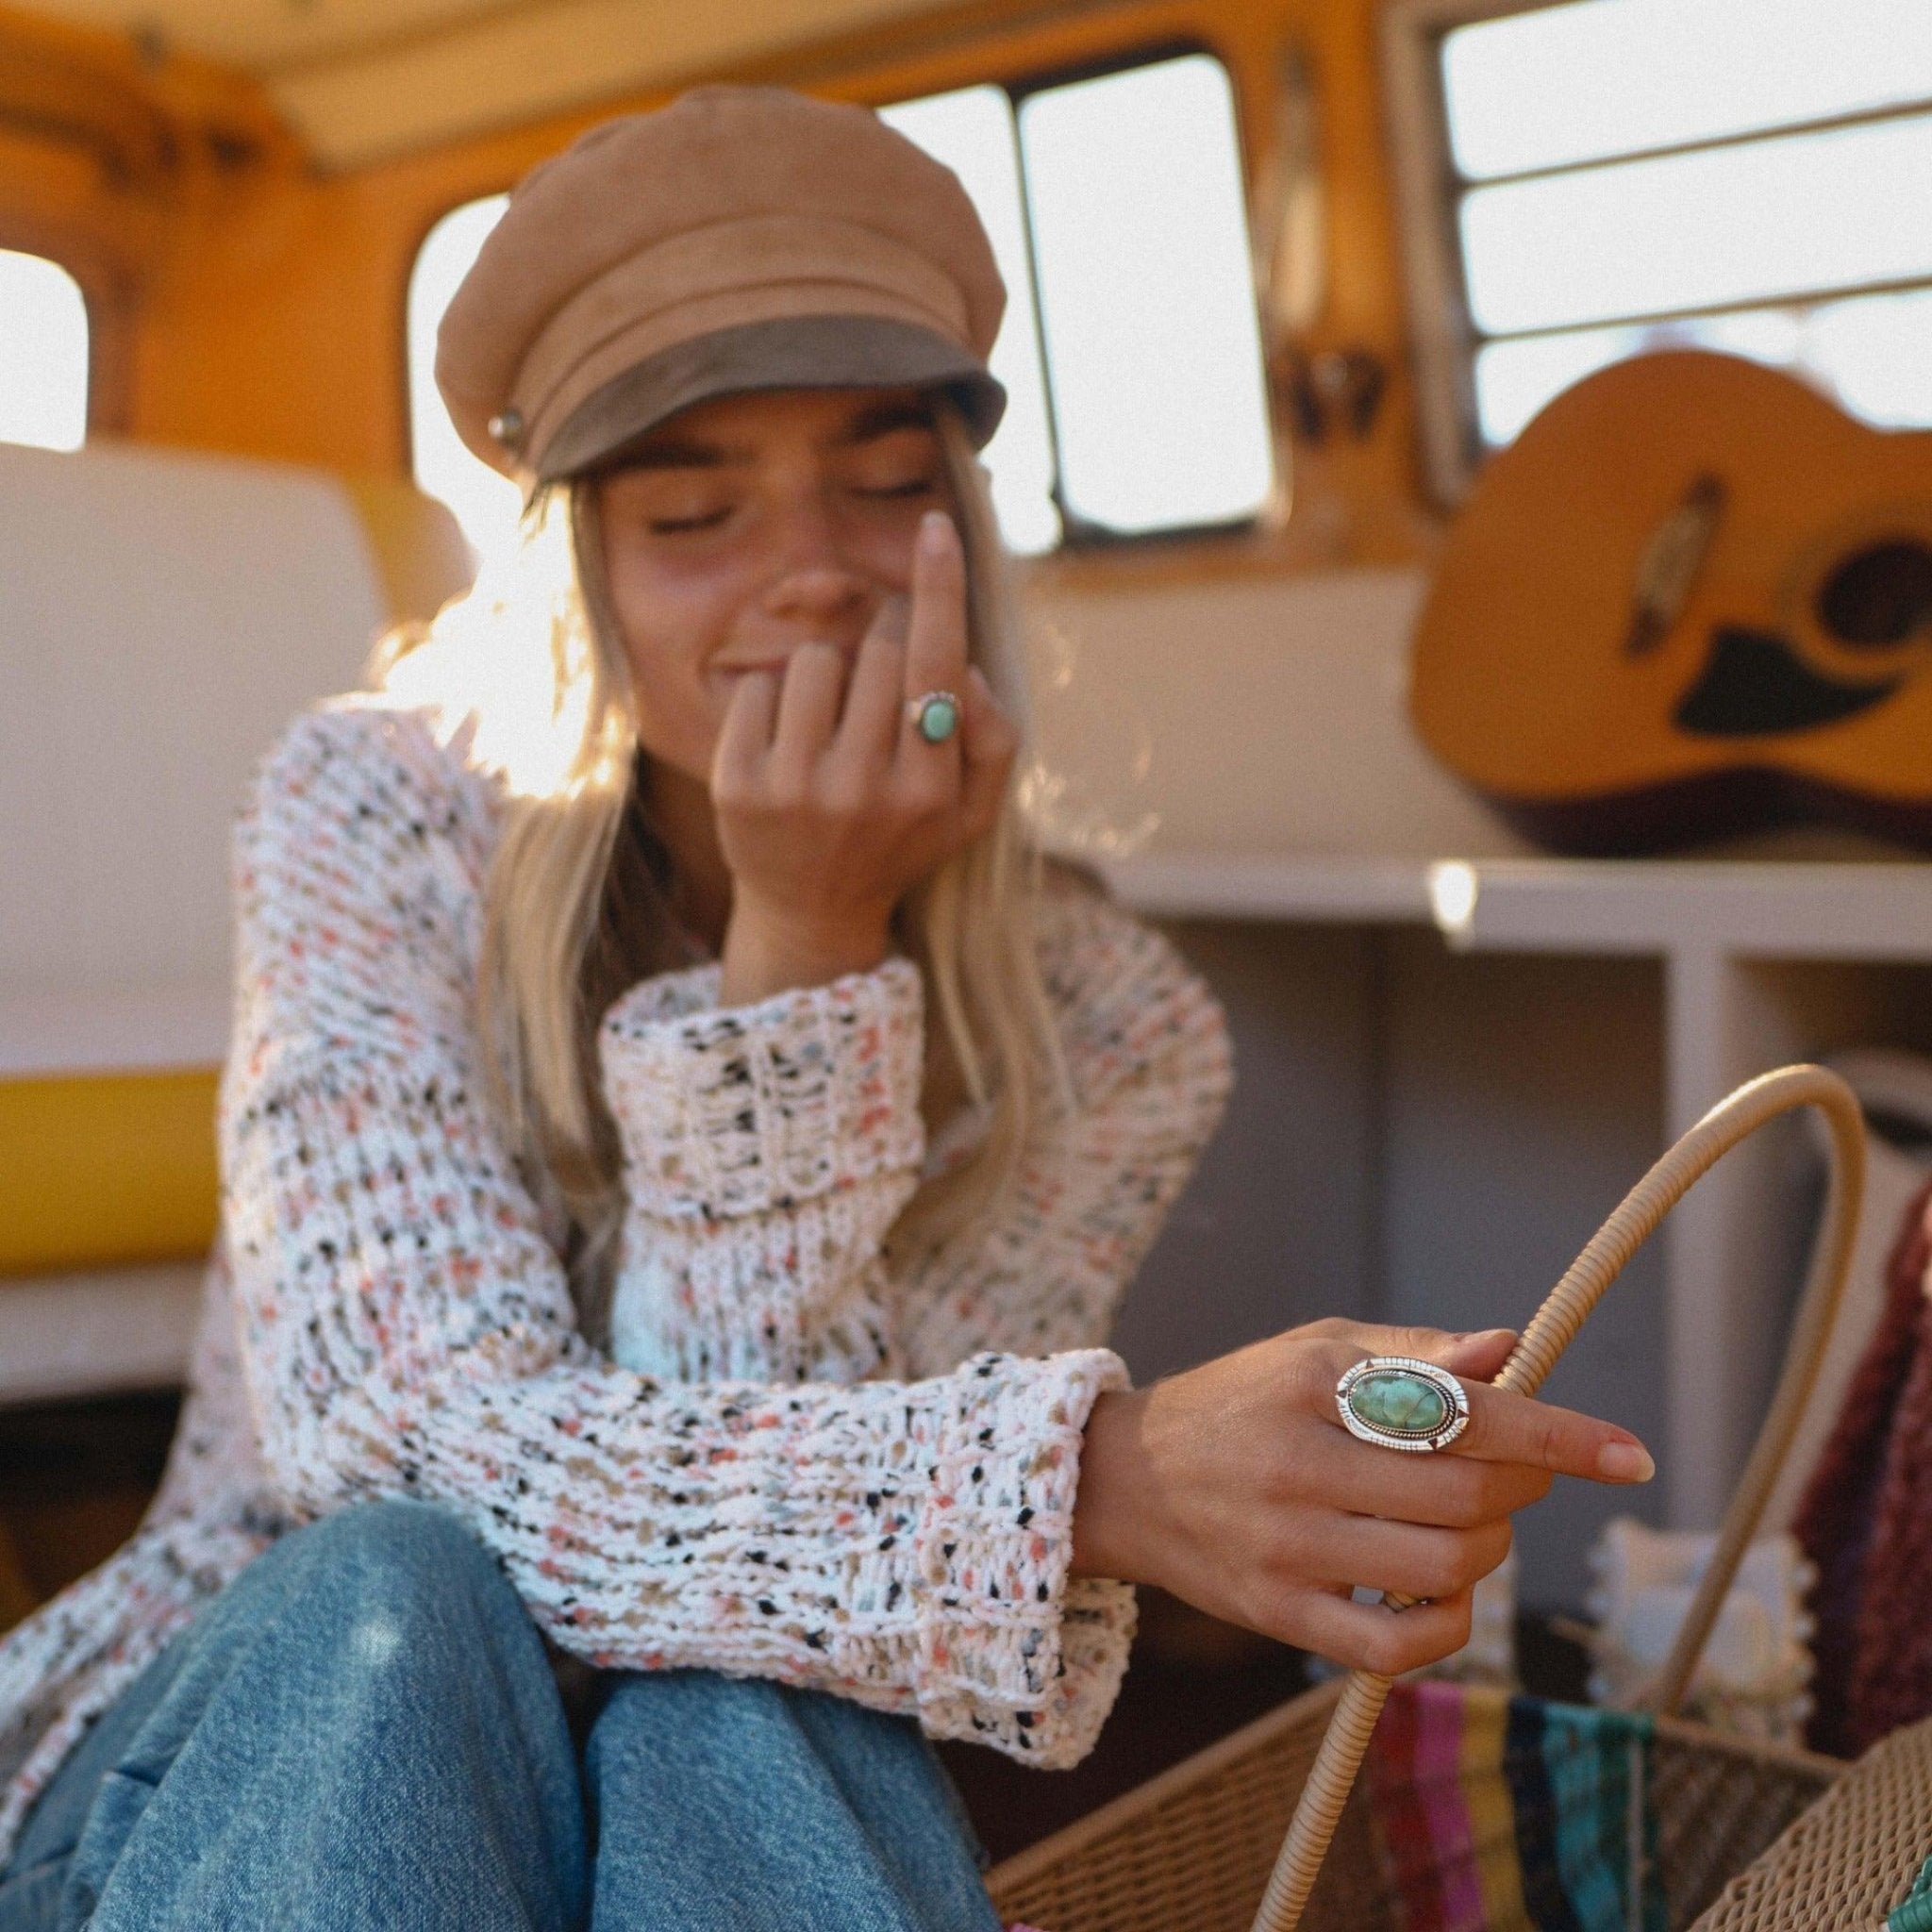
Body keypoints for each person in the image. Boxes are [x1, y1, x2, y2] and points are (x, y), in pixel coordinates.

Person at [0, 87, 1655, 1931]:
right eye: (695, 506)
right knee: (400, 1580)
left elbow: (779, 1572)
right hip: (261, 1756)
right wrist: (1086, 1478)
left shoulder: (1112, 1019)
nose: (812, 568)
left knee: (781, 1664)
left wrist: (812, 937)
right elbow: (394, 1445)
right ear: (585, 575)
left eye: (885, 486)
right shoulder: (371, 816)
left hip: (697, 1808)